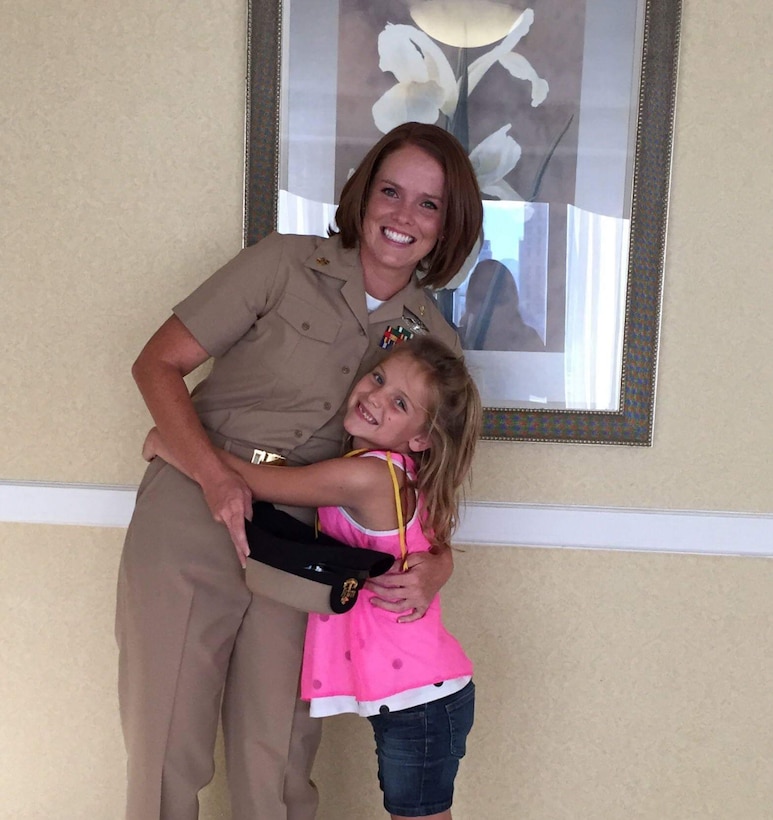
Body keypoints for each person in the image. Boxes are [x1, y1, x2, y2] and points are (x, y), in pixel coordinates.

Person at [116, 121, 483, 820]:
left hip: (309, 549)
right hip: (190, 510)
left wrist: (439, 566)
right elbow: (155, 363)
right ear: (363, 194)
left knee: (278, 755)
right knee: (168, 739)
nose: (403, 216)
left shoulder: (434, 341)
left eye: (428, 205)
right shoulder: (282, 264)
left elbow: (429, 488)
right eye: (390, 191)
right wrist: (210, 472)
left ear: (447, 225)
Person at [143, 335, 482, 820]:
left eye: (399, 403)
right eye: (379, 378)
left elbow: (258, 483)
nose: (374, 398)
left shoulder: (367, 478)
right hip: (420, 692)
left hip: (420, 698)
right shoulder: (397, 473)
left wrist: (171, 447)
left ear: (420, 438)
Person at [460, 258, 545, 351]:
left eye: (498, 300)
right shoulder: (456, 341)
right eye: (480, 298)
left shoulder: (530, 341)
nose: (488, 311)